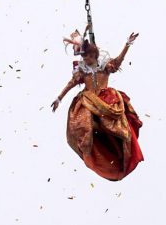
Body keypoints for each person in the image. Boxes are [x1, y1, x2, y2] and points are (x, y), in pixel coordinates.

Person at [51, 31, 143, 181]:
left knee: (117, 127)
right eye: (83, 56)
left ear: (94, 55)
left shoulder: (105, 66)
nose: (84, 59)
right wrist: (59, 98)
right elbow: (71, 84)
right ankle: (92, 141)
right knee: (82, 123)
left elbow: (118, 61)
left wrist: (127, 44)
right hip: (88, 99)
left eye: (86, 56)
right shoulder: (82, 71)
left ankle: (118, 147)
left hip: (106, 99)